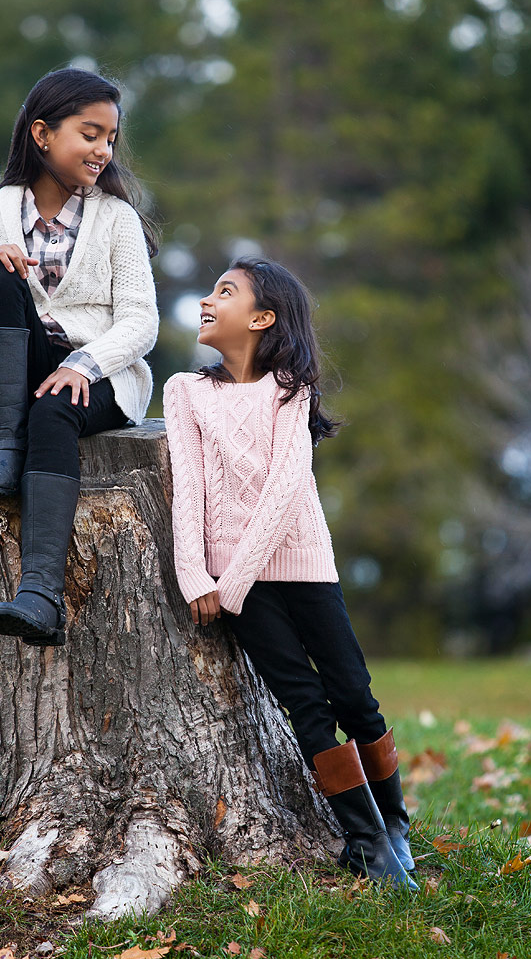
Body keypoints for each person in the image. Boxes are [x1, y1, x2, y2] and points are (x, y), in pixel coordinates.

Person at [162, 257, 417, 890]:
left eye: (225, 292)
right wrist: (195, 575)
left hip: (298, 566)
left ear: (261, 317)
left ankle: (395, 827)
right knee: (304, 705)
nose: (205, 301)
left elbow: (284, 489)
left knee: (354, 695)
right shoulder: (184, 391)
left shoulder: (289, 389)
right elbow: (186, 490)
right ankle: (367, 848)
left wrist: (236, 582)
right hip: (225, 582)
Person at [0, 68, 159, 647]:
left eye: (110, 138)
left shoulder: (117, 219)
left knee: (56, 406)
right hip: (15, 377)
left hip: (101, 376)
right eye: (90, 134)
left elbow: (142, 322)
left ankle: (40, 596)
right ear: (42, 133)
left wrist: (83, 365)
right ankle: (5, 448)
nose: (103, 149)